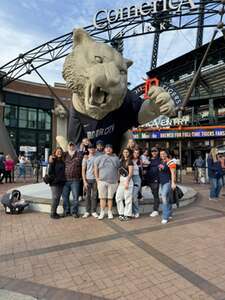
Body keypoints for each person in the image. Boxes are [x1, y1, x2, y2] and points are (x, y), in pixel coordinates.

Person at [94, 144, 120, 220]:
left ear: (112, 150)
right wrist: (97, 179)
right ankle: (102, 212)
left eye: (110, 148)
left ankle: (109, 212)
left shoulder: (116, 158)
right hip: (102, 181)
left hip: (113, 181)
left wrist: (117, 179)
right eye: (107, 148)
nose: (108, 149)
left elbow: (119, 169)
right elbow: (95, 169)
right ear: (104, 149)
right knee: (102, 198)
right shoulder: (99, 158)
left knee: (110, 198)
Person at [62, 141, 83, 218]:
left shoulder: (79, 154)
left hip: (75, 180)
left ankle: (74, 212)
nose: (71, 147)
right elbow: (56, 156)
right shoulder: (64, 155)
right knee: (65, 197)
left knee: (75, 197)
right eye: (70, 146)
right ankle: (66, 211)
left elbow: (84, 159)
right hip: (65, 180)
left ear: (75, 146)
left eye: (73, 145)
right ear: (68, 147)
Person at [158, 149, 176, 224]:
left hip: (167, 182)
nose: (162, 155)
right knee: (166, 197)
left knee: (164, 197)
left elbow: (173, 173)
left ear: (166, 154)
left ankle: (165, 216)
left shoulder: (170, 162)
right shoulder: (161, 161)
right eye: (161, 154)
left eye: (163, 153)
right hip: (162, 182)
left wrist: (173, 183)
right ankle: (169, 213)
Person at [116, 148, 134, 221]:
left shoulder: (130, 161)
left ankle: (128, 214)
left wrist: (127, 182)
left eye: (127, 152)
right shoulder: (121, 161)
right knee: (118, 197)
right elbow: (119, 171)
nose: (125, 153)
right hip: (121, 180)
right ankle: (121, 213)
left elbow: (130, 173)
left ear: (129, 153)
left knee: (127, 198)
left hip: (128, 180)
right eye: (124, 152)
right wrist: (118, 181)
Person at [48, 147, 66, 219]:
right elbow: (50, 172)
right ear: (55, 153)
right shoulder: (53, 160)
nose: (59, 152)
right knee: (55, 198)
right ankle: (52, 213)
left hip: (61, 182)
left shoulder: (62, 161)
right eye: (58, 151)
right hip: (54, 182)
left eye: (60, 151)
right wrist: (55, 179)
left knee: (58, 198)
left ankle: (55, 212)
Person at [82, 144, 98, 218]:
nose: (91, 149)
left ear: (95, 149)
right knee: (87, 196)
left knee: (94, 196)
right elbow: (83, 170)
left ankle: (93, 211)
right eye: (90, 148)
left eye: (93, 148)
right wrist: (84, 181)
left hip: (95, 179)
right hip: (88, 179)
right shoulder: (85, 158)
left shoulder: (97, 158)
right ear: (88, 149)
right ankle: (87, 211)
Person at [146, 147, 160, 218]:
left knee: (155, 195)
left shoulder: (160, 159)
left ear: (158, 152)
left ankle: (155, 210)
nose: (154, 152)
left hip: (155, 180)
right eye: (152, 151)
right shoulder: (148, 159)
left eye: (155, 151)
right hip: (149, 180)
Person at [131, 148, 142, 218]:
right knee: (130, 196)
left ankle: (136, 211)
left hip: (137, 179)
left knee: (134, 196)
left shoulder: (139, 161)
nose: (136, 154)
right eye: (135, 153)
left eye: (137, 153)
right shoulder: (129, 160)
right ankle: (131, 211)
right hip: (130, 178)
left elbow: (141, 172)